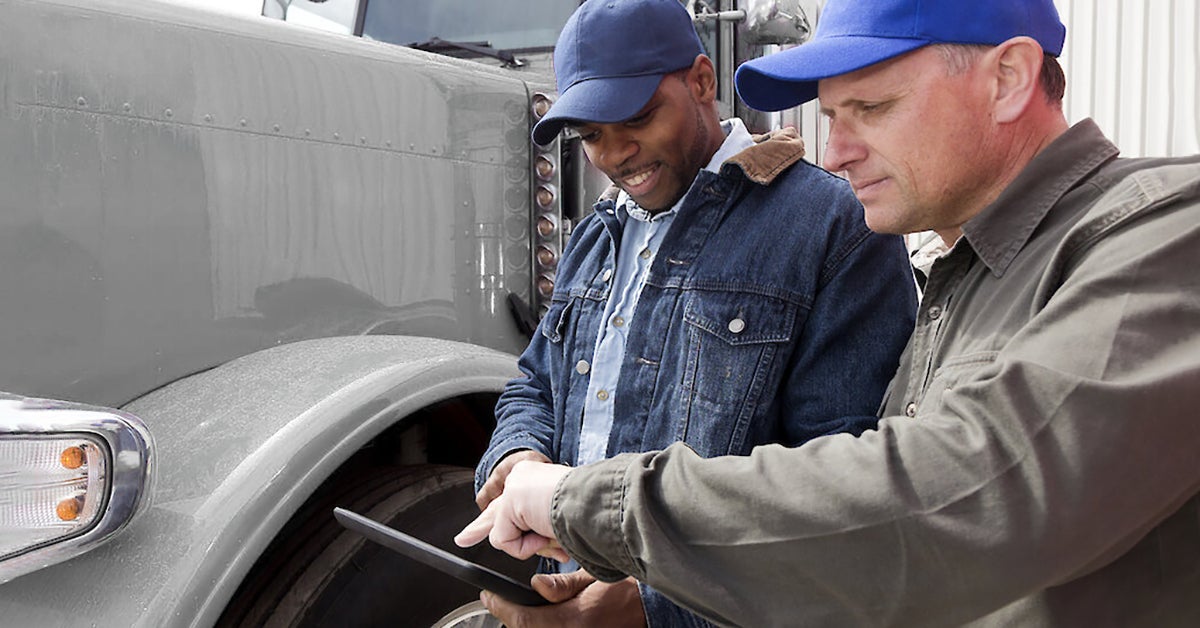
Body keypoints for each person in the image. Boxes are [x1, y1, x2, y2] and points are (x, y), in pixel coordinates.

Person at [457, 0, 1200, 625]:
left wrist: (594, 519)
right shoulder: (964, 278)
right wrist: (533, 469)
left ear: (1007, 79)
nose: (835, 152)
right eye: (831, 115)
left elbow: (949, 495)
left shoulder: (1166, 234)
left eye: (871, 109)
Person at [471, 0, 918, 625]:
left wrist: (646, 603)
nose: (615, 153)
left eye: (635, 118)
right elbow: (534, 385)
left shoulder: (834, 226)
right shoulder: (594, 239)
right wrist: (521, 460)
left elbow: (837, 488)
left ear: (702, 82)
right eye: (591, 134)